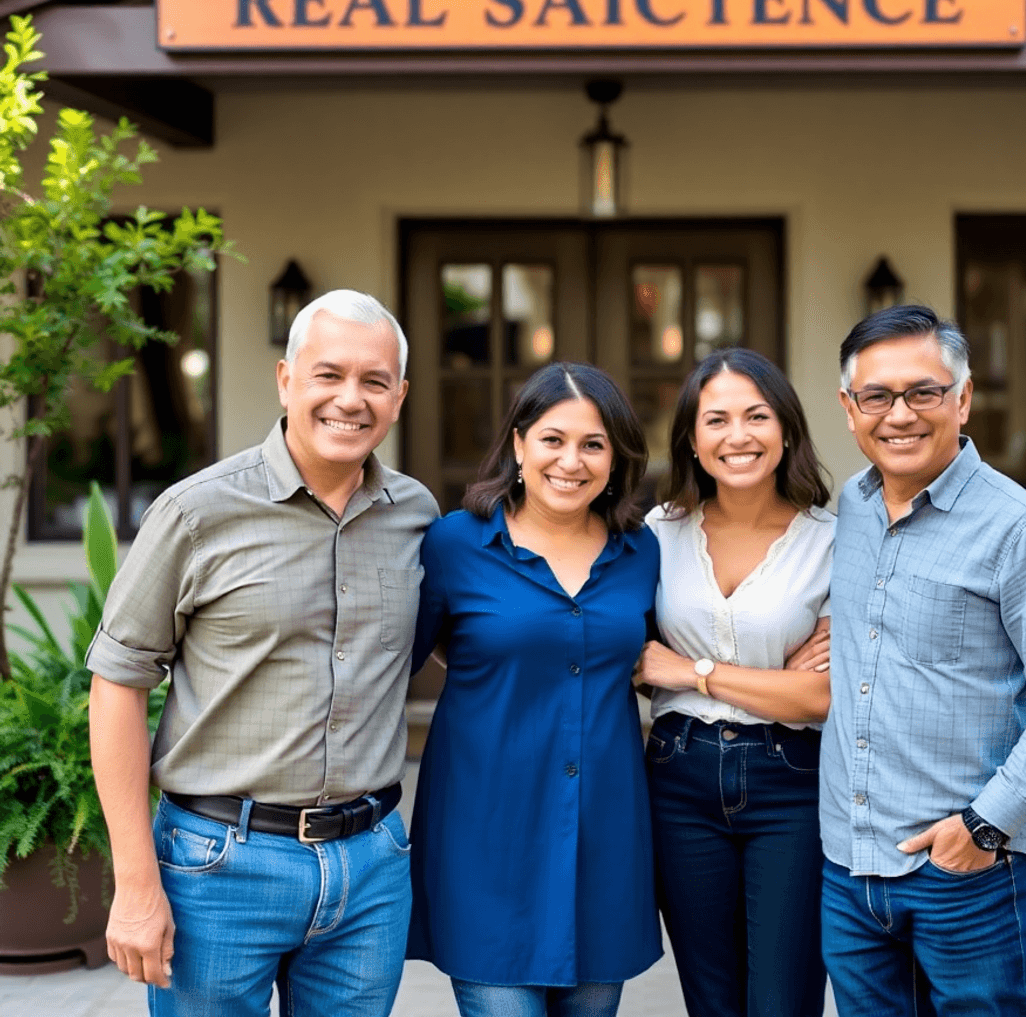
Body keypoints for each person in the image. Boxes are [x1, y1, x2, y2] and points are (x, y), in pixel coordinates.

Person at [86, 290, 437, 1016]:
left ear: (399, 397)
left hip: (371, 866)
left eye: (374, 382)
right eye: (328, 375)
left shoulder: (418, 516)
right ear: (286, 379)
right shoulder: (195, 512)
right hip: (219, 866)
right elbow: (118, 685)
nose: (351, 399)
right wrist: (136, 881)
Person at [821, 304, 1026, 1017]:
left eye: (924, 392)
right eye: (878, 396)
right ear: (849, 409)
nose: (901, 415)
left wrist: (985, 827)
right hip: (851, 869)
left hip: (970, 874)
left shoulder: (1023, 529)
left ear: (964, 398)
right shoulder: (851, 509)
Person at [407, 361, 661, 1017]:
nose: (570, 461)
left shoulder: (643, 552)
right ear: (518, 445)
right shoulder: (454, 544)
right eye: (553, 439)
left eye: (593, 444)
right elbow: (401, 657)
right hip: (485, 839)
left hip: (604, 839)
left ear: (615, 459)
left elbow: (667, 649)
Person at [635, 348, 835, 1017]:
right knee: (712, 1000)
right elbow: (626, 654)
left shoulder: (833, 542)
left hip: (793, 783)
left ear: (786, 430)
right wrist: (769, 680)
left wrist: (690, 671)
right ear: (692, 438)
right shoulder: (654, 536)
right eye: (716, 419)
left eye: (757, 415)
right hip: (677, 779)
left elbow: (821, 697)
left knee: (783, 1001)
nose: (738, 436)